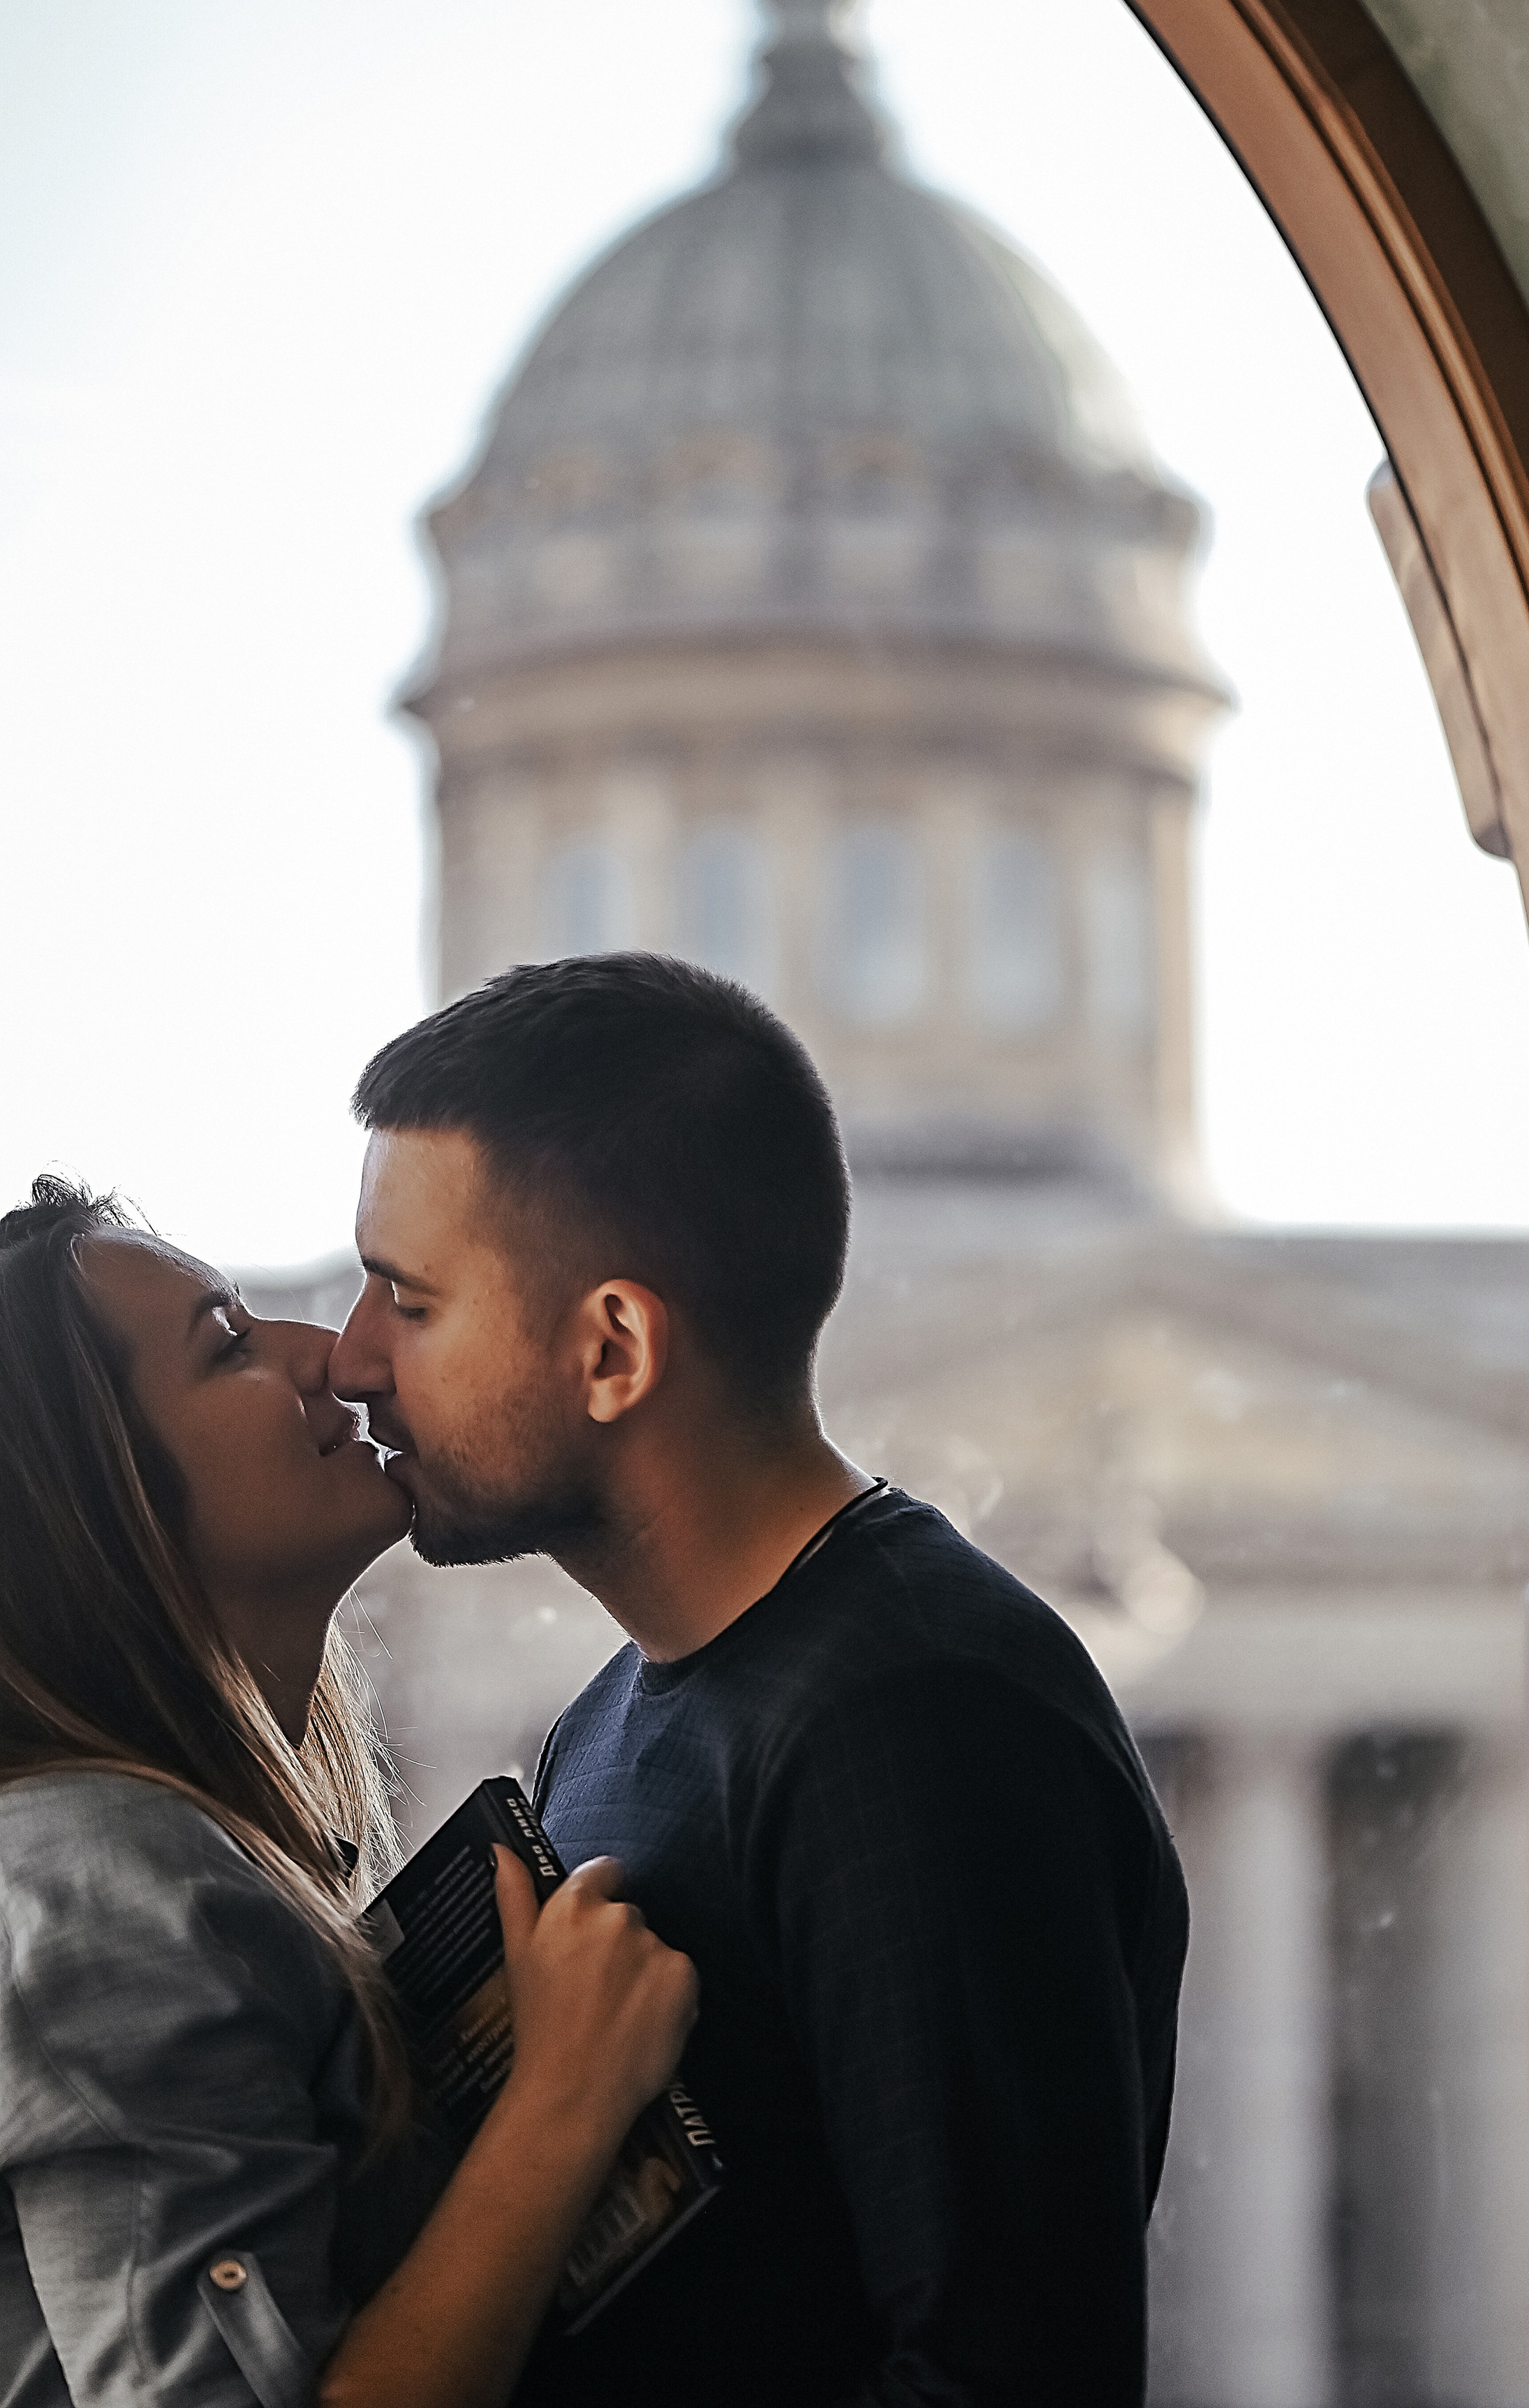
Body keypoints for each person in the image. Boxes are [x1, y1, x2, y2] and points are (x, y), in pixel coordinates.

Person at [331, 953, 1190, 2408]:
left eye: (408, 1303)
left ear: (612, 1347)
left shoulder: (918, 1719)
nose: (352, 1361)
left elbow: (1002, 2378)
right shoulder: (627, 1708)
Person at [0, 1176, 697, 2408]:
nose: (334, 1355)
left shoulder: (156, 1849)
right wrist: (565, 2099)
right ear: (91, 1499)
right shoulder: (107, 1879)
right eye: (228, 1347)